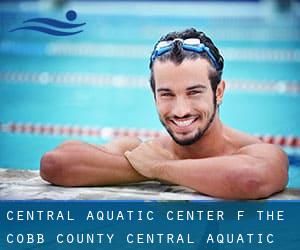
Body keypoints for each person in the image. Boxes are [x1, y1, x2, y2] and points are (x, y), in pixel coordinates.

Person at [40, 28, 288, 199]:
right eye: (167, 94)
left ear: (219, 91)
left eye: (194, 93)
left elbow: (249, 180)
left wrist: (161, 168)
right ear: (154, 95)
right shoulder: (142, 149)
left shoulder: (255, 151)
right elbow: (56, 164)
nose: (180, 111)